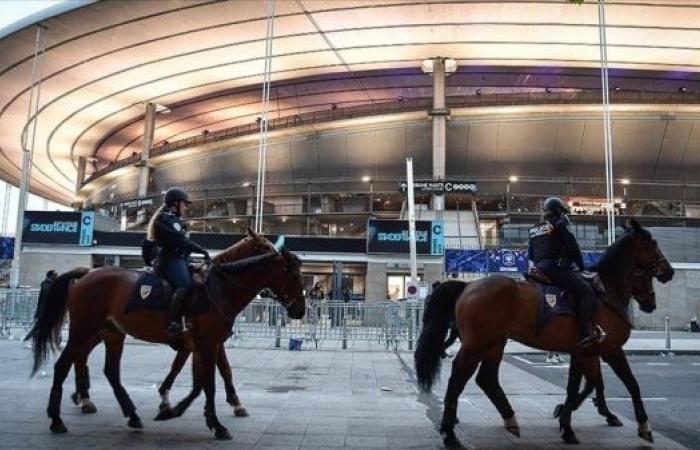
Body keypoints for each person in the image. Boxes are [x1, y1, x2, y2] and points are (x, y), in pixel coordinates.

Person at [527, 196, 601, 349]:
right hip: (555, 268)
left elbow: (531, 255)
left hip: (538, 269)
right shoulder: (560, 225)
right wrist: (582, 268)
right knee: (587, 293)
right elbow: (573, 249)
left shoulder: (535, 228)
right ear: (559, 211)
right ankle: (583, 333)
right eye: (562, 211)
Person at [147, 187, 210, 342]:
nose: (186, 207)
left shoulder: (175, 220)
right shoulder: (165, 219)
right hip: (168, 261)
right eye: (184, 204)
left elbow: (182, 246)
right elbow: (179, 240)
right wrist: (200, 250)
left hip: (179, 260)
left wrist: (192, 260)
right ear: (175, 203)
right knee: (184, 285)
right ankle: (173, 322)